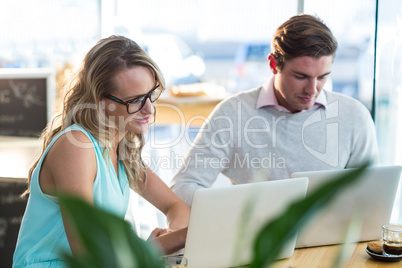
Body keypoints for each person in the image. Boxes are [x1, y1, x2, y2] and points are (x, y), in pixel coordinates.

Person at [13, 35, 190, 267]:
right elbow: (92, 253)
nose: (149, 109)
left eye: (151, 94)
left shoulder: (122, 151)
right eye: (135, 100)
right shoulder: (76, 145)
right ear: (101, 101)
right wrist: (180, 237)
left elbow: (176, 207)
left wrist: (170, 235)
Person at [170, 14, 379, 206]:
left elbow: (370, 197)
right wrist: (235, 213)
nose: (312, 89)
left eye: (323, 77)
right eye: (301, 76)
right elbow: (182, 187)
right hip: (258, 244)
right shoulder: (233, 114)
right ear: (273, 64)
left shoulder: (355, 117)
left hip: (334, 244)